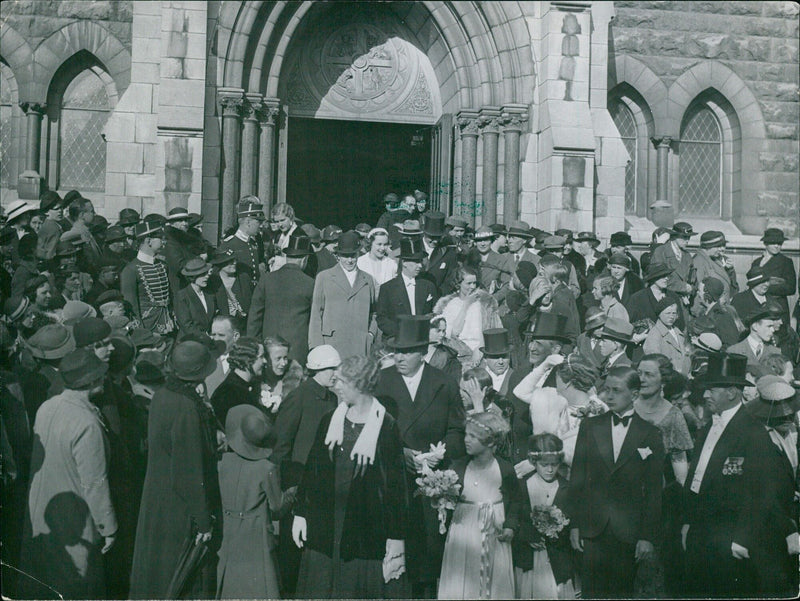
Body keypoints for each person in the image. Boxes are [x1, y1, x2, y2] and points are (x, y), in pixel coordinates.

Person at [292, 355, 408, 598]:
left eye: (343, 381)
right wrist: (301, 513)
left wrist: (396, 535)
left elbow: (396, 487)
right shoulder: (330, 420)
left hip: (362, 529)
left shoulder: (386, 427)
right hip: (325, 523)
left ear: (361, 384)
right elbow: (312, 471)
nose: (337, 386)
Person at [373, 315, 466, 597]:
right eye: (396, 351)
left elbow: (457, 428)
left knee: (426, 557)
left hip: (431, 484)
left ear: (422, 352)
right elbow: (369, 430)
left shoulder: (444, 383)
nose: (398, 358)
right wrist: (400, 453)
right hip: (391, 480)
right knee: (394, 556)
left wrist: (439, 454)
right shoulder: (381, 381)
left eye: (406, 352)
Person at [20, 349, 117, 599]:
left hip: (43, 512)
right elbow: (95, 483)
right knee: (79, 586)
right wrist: (108, 527)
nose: (104, 379)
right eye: (101, 375)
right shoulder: (86, 423)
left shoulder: (47, 407)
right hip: (75, 519)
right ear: (92, 381)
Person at [129, 341, 221, 599]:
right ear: (201, 374)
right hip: (178, 507)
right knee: (179, 578)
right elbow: (188, 471)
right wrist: (203, 520)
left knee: (156, 572)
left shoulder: (163, 394)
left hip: (157, 497)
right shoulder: (187, 407)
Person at [682, 352, 778, 598]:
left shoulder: (752, 433)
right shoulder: (707, 428)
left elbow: (763, 493)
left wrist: (743, 538)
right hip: (700, 533)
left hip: (730, 538)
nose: (705, 395)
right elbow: (697, 478)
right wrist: (687, 522)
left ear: (732, 392)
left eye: (712, 389)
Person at [568, 366, 665, 599]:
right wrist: (575, 524)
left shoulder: (650, 433)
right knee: (591, 591)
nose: (609, 396)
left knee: (622, 591)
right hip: (593, 528)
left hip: (628, 531)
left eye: (616, 391)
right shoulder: (591, 426)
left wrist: (646, 536)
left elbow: (653, 491)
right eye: (606, 390)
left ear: (633, 395)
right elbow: (578, 477)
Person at [437, 411, 520, 599]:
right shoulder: (458, 467)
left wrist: (510, 527)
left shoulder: (505, 469)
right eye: (466, 434)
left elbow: (516, 501)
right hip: (463, 532)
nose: (466, 440)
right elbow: (447, 499)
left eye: (473, 436)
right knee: (462, 577)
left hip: (493, 531)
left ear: (490, 442)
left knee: (493, 578)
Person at [634, 354, 694, 597]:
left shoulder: (673, 416)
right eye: (639, 373)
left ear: (663, 381)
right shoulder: (623, 407)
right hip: (621, 501)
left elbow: (681, 472)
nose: (641, 379)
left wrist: (688, 512)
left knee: (650, 572)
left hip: (657, 505)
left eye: (649, 374)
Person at [217, 405, 291, 599]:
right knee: (259, 588)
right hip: (256, 535)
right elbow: (277, 507)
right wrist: (292, 494)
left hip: (230, 531)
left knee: (232, 587)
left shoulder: (223, 463)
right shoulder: (265, 468)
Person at [745, 375, 800, 597]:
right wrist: (788, 529)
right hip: (772, 523)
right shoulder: (762, 441)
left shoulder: (790, 435)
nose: (788, 418)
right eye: (781, 415)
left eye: (790, 413)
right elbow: (764, 491)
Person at [514, 350, 603, 466]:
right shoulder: (552, 398)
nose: (555, 381)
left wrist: (537, 463)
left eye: (557, 376)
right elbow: (520, 392)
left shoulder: (597, 410)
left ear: (567, 383)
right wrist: (544, 365)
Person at [514, 433, 575, 599]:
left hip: (557, 559)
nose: (549, 470)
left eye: (554, 465)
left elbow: (572, 522)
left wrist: (558, 529)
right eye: (544, 464)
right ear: (533, 462)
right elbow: (513, 518)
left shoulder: (567, 488)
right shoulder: (522, 485)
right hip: (528, 559)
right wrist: (526, 534)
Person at [309, 230, 377, 358]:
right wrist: (317, 347)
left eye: (353, 255)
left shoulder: (367, 279)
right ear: (338, 255)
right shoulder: (324, 277)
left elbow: (374, 313)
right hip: (332, 346)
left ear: (358, 254)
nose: (350, 260)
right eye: (345, 256)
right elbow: (316, 314)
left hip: (360, 347)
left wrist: (370, 334)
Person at [247, 236, 314, 364]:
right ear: (305, 259)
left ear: (287, 257)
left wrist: (254, 346)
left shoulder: (267, 280)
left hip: (269, 348)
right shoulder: (310, 284)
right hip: (298, 350)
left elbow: (254, 318)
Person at [434, 265, 501, 359]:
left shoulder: (484, 303)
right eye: (468, 283)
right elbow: (454, 333)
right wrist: (466, 305)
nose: (472, 287)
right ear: (458, 284)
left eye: (475, 283)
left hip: (483, 350)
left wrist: (480, 349)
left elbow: (493, 330)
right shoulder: (451, 304)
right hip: (459, 352)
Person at [376, 236, 438, 339]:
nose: (420, 266)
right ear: (404, 262)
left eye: (420, 261)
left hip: (422, 338)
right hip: (397, 339)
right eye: (416, 262)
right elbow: (382, 319)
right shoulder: (387, 288)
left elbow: (436, 314)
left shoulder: (428, 286)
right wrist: (402, 331)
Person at [120, 219, 175, 335]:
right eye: (161, 238)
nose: (164, 242)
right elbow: (131, 304)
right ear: (148, 240)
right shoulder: (130, 270)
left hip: (167, 320)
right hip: (148, 323)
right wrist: (141, 331)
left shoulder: (163, 265)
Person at [219, 200, 266, 308]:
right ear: (248, 222)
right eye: (258, 222)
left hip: (253, 298)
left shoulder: (253, 243)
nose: (261, 226)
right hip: (238, 300)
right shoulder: (229, 244)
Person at [209, 336, 266, 425]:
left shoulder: (250, 386)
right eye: (261, 357)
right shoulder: (227, 393)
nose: (265, 361)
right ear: (248, 360)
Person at [750, 227, 796, 328]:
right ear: (765, 244)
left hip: (778, 306)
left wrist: (763, 287)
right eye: (773, 243)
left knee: (779, 336)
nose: (776, 246)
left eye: (779, 243)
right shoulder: (757, 263)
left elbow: (791, 288)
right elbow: (751, 285)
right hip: (758, 305)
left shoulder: (786, 262)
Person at [643, 298, 692, 375]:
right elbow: (655, 362)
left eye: (674, 313)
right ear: (659, 314)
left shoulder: (677, 331)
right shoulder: (654, 334)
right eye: (668, 313)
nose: (671, 316)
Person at [727, 305, 782, 373]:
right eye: (769, 326)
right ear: (755, 326)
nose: (773, 330)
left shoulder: (776, 352)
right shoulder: (734, 351)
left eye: (772, 326)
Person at [174, 258, 217, 337]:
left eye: (207, 273)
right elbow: (186, 325)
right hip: (190, 341)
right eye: (202, 274)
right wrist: (205, 337)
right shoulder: (182, 296)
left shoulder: (209, 293)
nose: (207, 276)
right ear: (192, 277)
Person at [650, 222, 696, 287]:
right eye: (684, 237)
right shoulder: (660, 252)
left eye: (689, 237)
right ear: (675, 236)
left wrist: (690, 290)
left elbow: (692, 279)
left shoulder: (687, 255)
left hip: (685, 295)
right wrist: (684, 288)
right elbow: (658, 278)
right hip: (665, 294)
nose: (687, 241)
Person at [474, 226, 515, 293]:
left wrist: (493, 299)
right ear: (475, 242)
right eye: (479, 240)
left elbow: (506, 284)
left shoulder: (501, 260)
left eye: (486, 240)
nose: (482, 244)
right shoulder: (469, 258)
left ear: (492, 241)